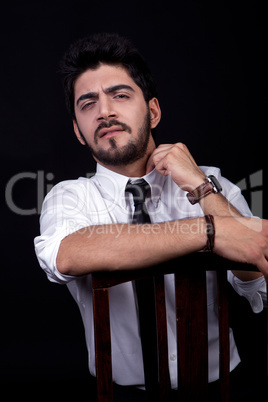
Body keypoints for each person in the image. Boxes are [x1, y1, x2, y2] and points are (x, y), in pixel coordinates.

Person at [34, 33, 268, 401]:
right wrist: (208, 231)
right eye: (88, 103)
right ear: (79, 132)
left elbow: (258, 280)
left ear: (153, 111)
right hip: (124, 396)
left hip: (223, 388)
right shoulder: (70, 196)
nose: (105, 111)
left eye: (120, 95)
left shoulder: (212, 182)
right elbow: (66, 255)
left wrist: (202, 189)